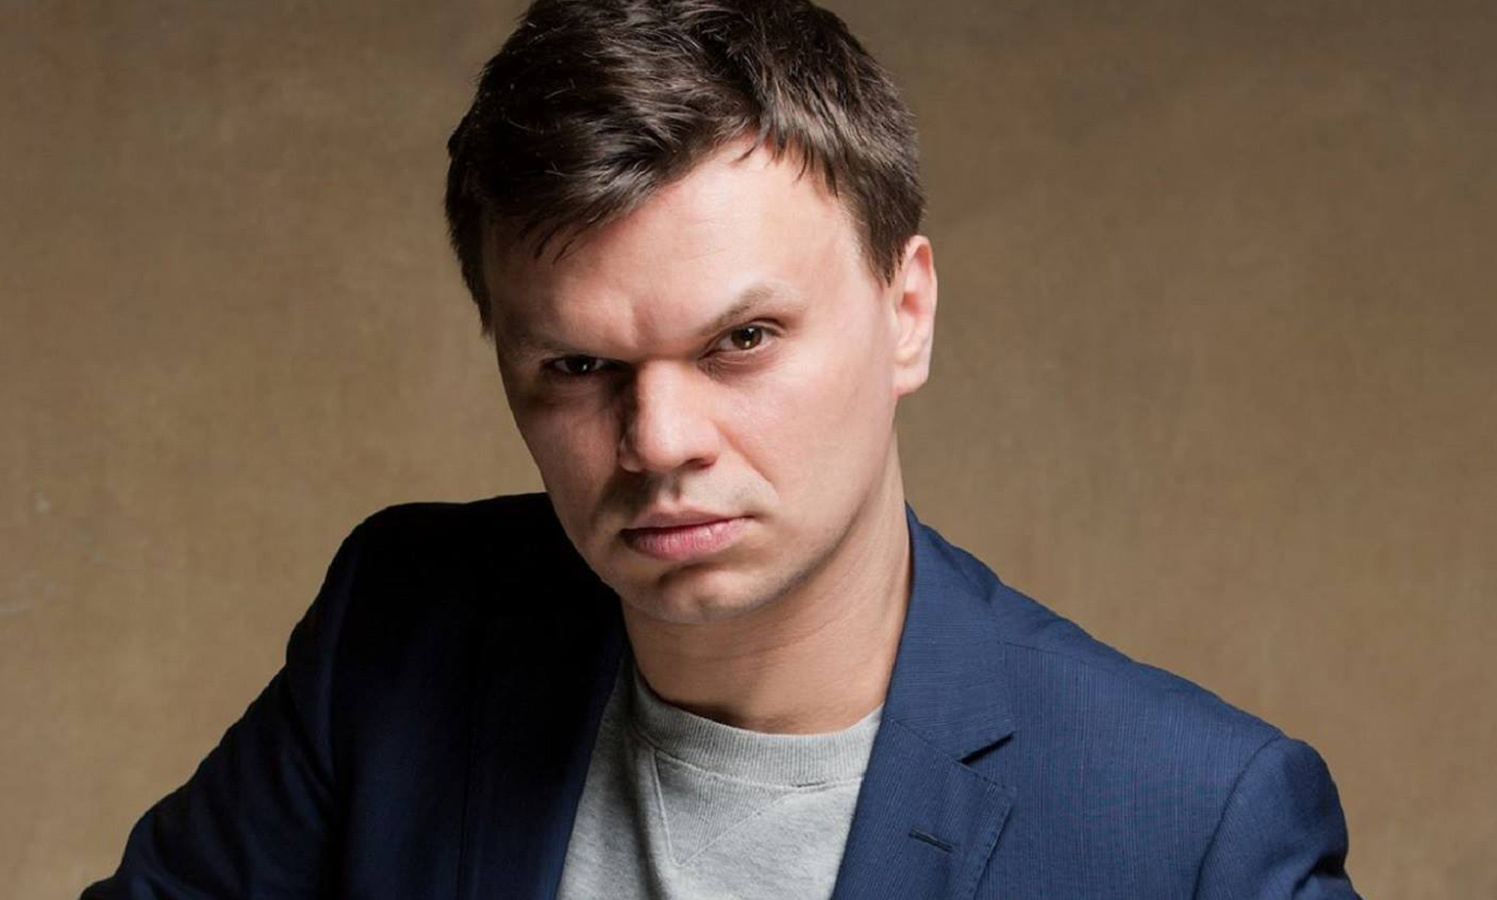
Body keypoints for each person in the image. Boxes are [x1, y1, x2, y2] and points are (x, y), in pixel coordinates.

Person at [86, 1, 1361, 897]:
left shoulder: (1192, 826)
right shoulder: (405, 626)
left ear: (906, 310)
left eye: (741, 340)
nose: (659, 442)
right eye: (578, 368)